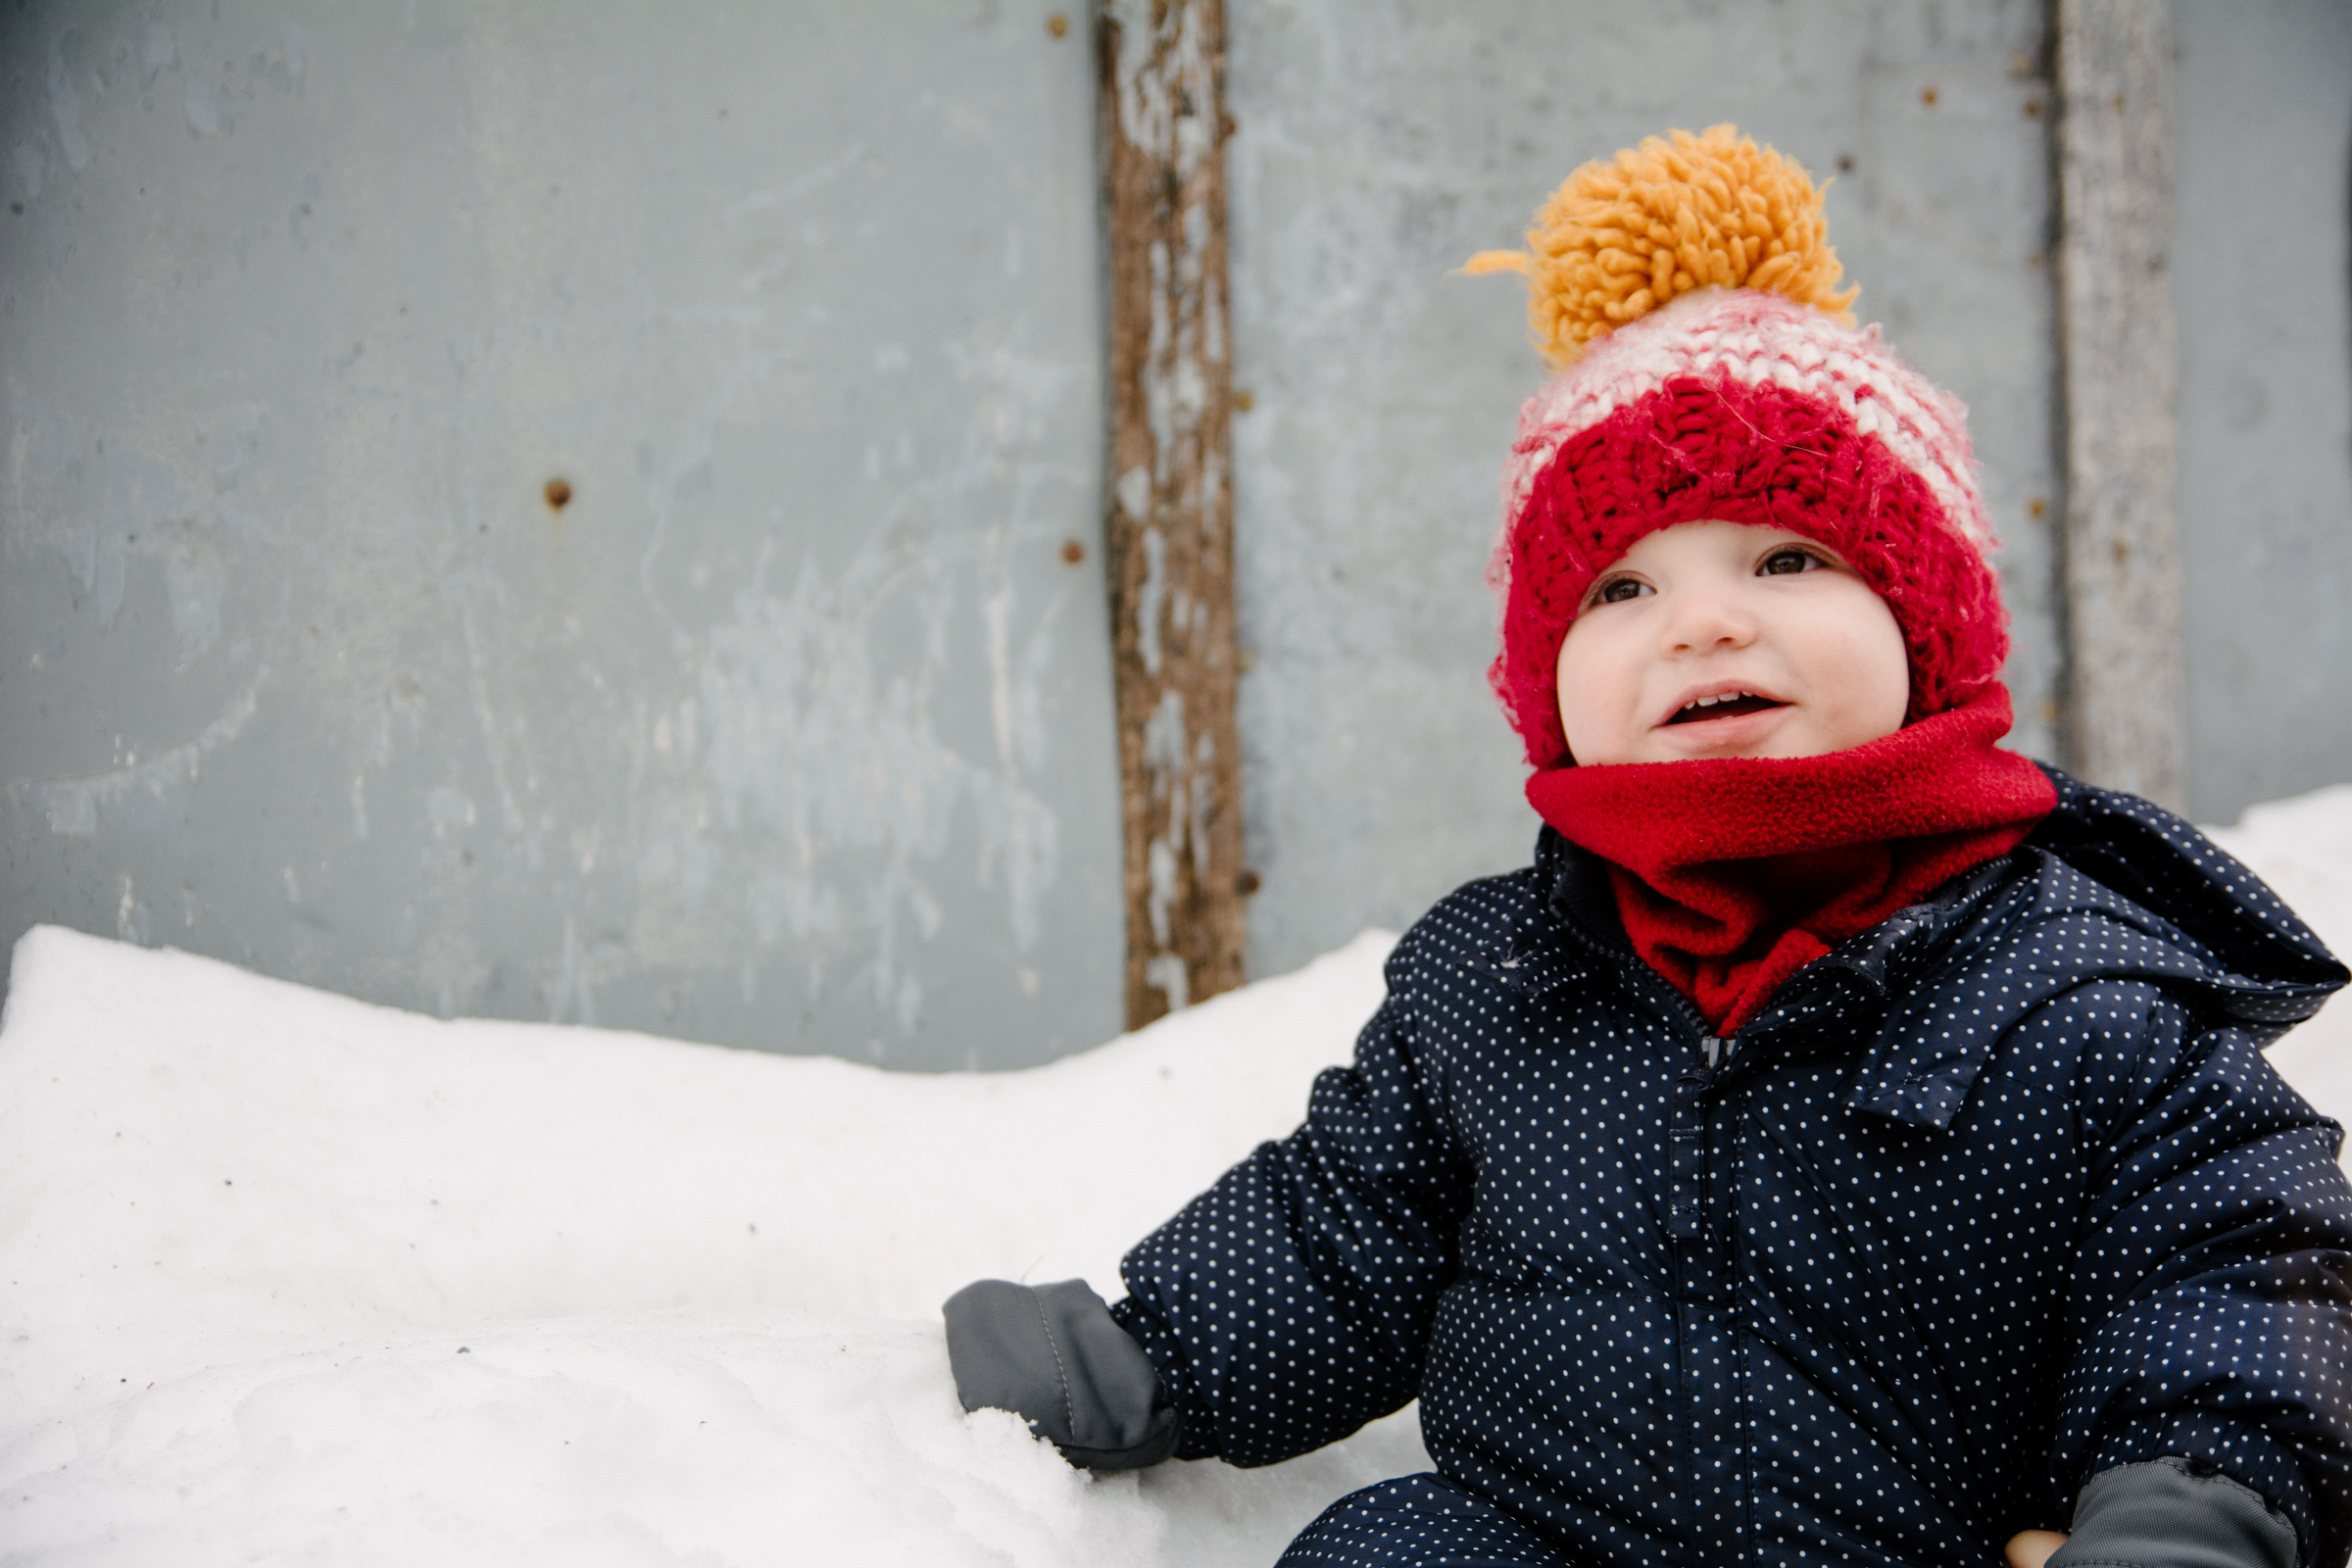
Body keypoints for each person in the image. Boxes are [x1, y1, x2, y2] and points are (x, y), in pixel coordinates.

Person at [942, 126, 2352, 1568]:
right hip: (1543, 1536)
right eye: (1621, 586)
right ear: (1548, 687)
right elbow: (1338, 1237)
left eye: (1787, 559)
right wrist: (1131, 1359)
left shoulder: (2084, 997)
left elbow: (2228, 1277)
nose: (1702, 621)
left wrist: (2185, 1513)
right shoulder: (1493, 980)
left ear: (1928, 629)